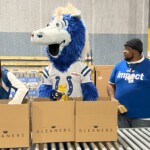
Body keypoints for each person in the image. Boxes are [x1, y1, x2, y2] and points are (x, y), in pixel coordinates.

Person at [107, 38, 150, 128]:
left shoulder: (148, 66)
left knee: (141, 142)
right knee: (122, 141)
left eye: (127, 49)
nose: (124, 51)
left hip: (143, 117)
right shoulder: (119, 65)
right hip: (121, 116)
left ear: (136, 51)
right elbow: (110, 84)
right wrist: (112, 98)